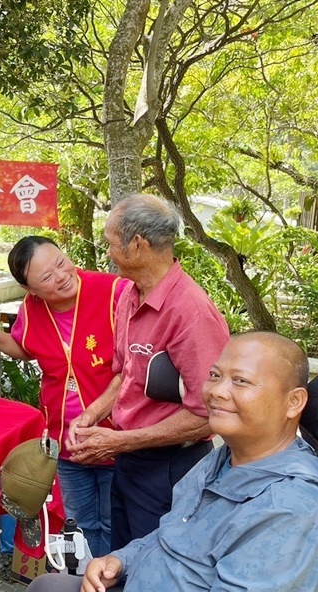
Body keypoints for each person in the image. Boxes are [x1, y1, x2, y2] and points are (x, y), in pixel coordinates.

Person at [0, 332, 318, 592]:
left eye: (240, 381)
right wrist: (121, 560)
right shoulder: (225, 457)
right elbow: (172, 532)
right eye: (214, 375)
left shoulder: (294, 510)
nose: (216, 392)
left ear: (294, 402)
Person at [68, 194, 229, 549]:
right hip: (131, 458)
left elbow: (210, 415)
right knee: (122, 559)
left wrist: (121, 441)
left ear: (137, 245)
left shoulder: (190, 312)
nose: (108, 252)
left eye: (111, 243)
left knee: (154, 566)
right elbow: (126, 373)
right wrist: (91, 415)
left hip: (170, 466)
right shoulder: (130, 294)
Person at [0, 236, 125, 558]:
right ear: (32, 291)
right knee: (80, 524)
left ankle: (110, 591)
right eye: (46, 277)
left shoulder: (114, 292)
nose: (61, 275)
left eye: (61, 262)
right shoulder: (32, 310)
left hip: (117, 436)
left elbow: (134, 365)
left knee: (115, 524)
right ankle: (81, 590)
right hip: (65, 441)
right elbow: (26, 349)